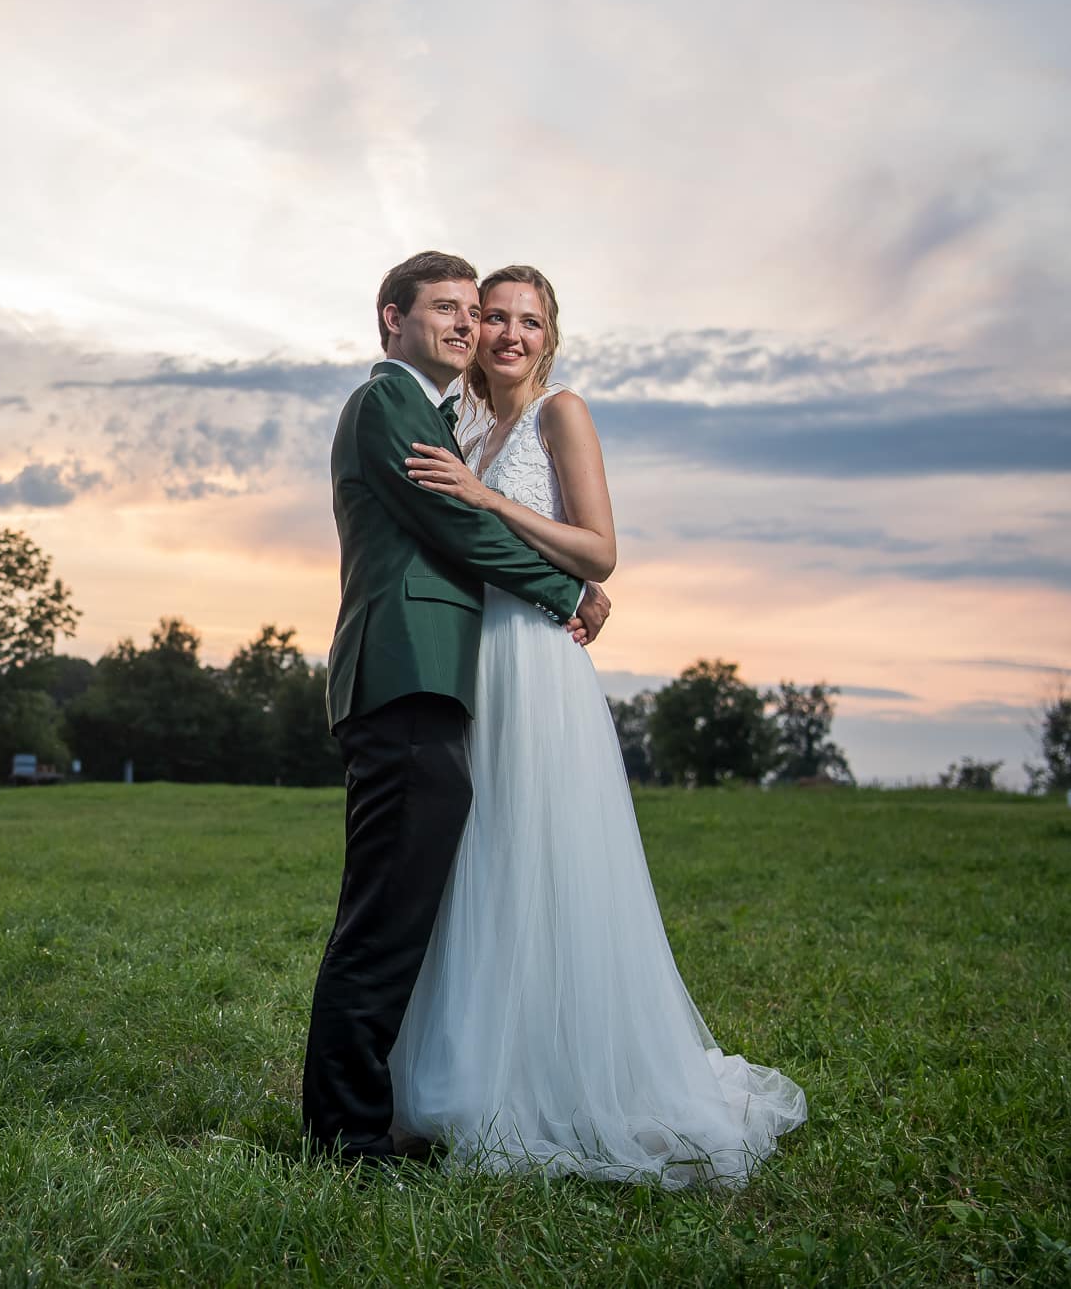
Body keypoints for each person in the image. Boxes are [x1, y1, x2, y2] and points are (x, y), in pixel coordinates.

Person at [389, 265, 807, 1187]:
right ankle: (473, 1072)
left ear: (551, 335)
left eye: (529, 321)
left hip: (538, 664)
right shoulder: (466, 427)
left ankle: (564, 1082)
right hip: (475, 662)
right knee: (480, 863)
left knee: (545, 856)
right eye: (492, 316)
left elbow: (601, 549)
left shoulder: (560, 414)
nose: (508, 333)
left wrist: (490, 500)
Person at [305, 251, 610, 1164]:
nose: (471, 326)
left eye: (474, 312)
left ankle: (380, 1110)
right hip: (407, 677)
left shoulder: (446, 417)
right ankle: (348, 1137)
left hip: (447, 681)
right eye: (450, 307)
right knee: (384, 918)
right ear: (391, 317)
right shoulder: (389, 405)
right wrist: (567, 592)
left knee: (415, 909)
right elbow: (458, 524)